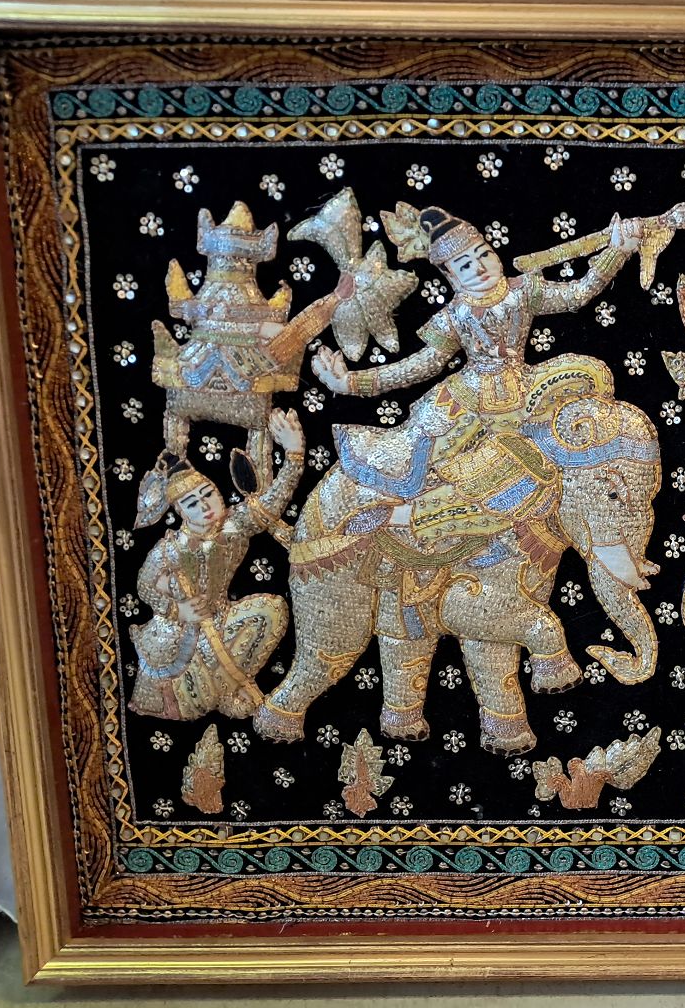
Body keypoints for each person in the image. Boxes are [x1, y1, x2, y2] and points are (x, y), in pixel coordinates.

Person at [309, 206, 642, 547]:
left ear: (496, 256)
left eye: (484, 255)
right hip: (463, 404)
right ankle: (405, 518)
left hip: (525, 393)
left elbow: (577, 293)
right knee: (436, 468)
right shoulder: (455, 317)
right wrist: (352, 382)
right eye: (465, 265)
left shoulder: (523, 292)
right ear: (452, 277)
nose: (480, 268)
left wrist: (617, 251)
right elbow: (423, 364)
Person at [127, 408, 304, 721]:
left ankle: (229, 688)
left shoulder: (234, 526)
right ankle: (215, 693)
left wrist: (293, 454)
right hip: (177, 633)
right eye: (192, 503)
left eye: (208, 494)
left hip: (220, 620)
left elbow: (272, 503)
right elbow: (144, 586)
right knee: (177, 657)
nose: (205, 506)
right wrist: (176, 610)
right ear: (180, 512)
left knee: (272, 610)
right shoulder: (169, 549)